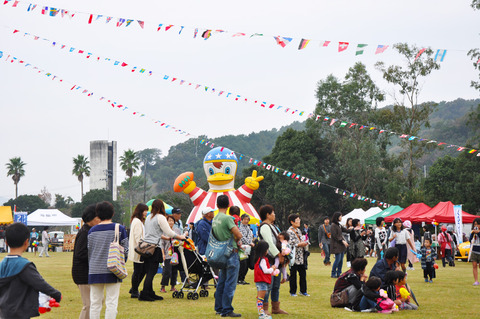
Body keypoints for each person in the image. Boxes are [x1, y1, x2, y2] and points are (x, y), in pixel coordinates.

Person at [0, 223, 62, 318]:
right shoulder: (25, 266)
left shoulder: (2, 264)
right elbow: (40, 283)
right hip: (19, 312)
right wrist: (56, 294)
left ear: (6, 242)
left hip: (4, 312)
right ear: (27, 242)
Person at [88, 201, 128, 319]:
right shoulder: (119, 228)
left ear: (97, 214)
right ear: (113, 213)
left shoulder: (92, 231)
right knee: (111, 302)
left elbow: (89, 251)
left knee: (95, 303)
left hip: (94, 269)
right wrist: (121, 262)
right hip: (113, 269)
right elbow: (126, 250)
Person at [140, 199, 185, 301]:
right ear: (162, 207)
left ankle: (150, 292)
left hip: (146, 246)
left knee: (149, 271)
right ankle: (145, 294)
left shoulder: (148, 217)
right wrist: (179, 237)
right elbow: (169, 232)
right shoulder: (160, 217)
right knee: (152, 272)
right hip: (154, 247)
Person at [213, 195, 243, 317]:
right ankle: (227, 309)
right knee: (230, 282)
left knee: (222, 281)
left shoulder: (215, 218)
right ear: (228, 205)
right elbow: (238, 234)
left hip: (220, 252)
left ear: (217, 205)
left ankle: (219, 307)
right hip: (231, 252)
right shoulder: (228, 218)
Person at [258, 204, 287, 315]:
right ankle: (265, 308)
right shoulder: (265, 226)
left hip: (275, 259)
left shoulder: (272, 226)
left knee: (275, 285)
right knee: (267, 286)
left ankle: (275, 307)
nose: (274, 215)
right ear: (267, 215)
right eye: (273, 213)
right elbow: (269, 242)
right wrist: (278, 255)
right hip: (269, 259)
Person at [72, 204, 100, 319]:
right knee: (88, 304)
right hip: (82, 274)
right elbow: (80, 254)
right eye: (98, 217)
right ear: (91, 218)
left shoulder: (89, 230)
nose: (100, 220)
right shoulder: (85, 232)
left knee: (96, 301)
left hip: (87, 273)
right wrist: (96, 254)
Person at [128, 203, 148, 298]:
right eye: (145, 210)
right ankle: (134, 291)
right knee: (138, 271)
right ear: (141, 211)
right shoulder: (137, 222)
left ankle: (134, 288)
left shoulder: (137, 221)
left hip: (138, 249)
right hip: (139, 250)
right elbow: (138, 237)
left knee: (141, 270)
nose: (146, 213)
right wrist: (143, 246)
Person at [287, 214, 309, 297]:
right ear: (292, 222)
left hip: (301, 256)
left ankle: (303, 291)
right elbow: (290, 244)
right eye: (297, 220)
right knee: (293, 274)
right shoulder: (289, 232)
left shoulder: (299, 230)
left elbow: (302, 239)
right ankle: (292, 291)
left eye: (299, 219)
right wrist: (300, 244)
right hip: (293, 256)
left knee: (303, 274)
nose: (299, 221)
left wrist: (305, 242)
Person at [254, 240, 276, 319]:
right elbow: (266, 271)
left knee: (260, 298)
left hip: (260, 281)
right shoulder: (262, 260)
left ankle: (262, 313)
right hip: (262, 282)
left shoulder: (258, 259)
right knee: (260, 298)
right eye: (267, 249)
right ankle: (261, 314)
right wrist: (272, 268)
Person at [160, 215, 178, 293]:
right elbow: (162, 245)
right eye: (169, 220)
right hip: (167, 255)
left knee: (174, 271)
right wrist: (163, 254)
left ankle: (173, 286)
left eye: (172, 221)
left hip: (175, 255)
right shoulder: (164, 232)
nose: (171, 222)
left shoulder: (176, 231)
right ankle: (163, 287)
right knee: (167, 271)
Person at [331, 212, 349, 278]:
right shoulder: (333, 225)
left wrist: (353, 229)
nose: (341, 217)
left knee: (341, 260)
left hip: (341, 245)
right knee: (337, 260)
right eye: (340, 216)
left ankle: (339, 273)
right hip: (336, 245)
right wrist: (342, 241)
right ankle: (333, 273)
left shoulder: (339, 225)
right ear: (337, 217)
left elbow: (345, 230)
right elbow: (335, 236)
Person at [238, 213, 254, 285]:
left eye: (248, 219)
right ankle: (239, 279)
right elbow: (242, 236)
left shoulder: (248, 227)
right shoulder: (240, 227)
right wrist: (249, 242)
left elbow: (251, 236)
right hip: (242, 247)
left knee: (247, 263)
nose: (247, 221)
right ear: (242, 219)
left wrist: (250, 242)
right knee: (243, 263)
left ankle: (242, 278)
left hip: (248, 248)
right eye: (245, 219)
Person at [469, 218, 480, 285]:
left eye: (478, 224)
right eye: (475, 224)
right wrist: (473, 233)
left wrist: (478, 233)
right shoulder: (473, 232)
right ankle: (476, 280)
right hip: (474, 250)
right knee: (474, 265)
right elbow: (470, 240)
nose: (476, 226)